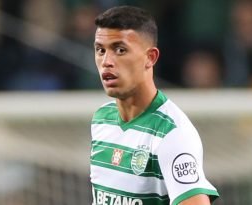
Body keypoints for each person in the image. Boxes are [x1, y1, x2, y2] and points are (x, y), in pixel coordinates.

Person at [90, 5, 219, 205]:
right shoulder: (101, 119)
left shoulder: (172, 133)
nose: (106, 61)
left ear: (150, 58)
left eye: (120, 50)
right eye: (100, 50)